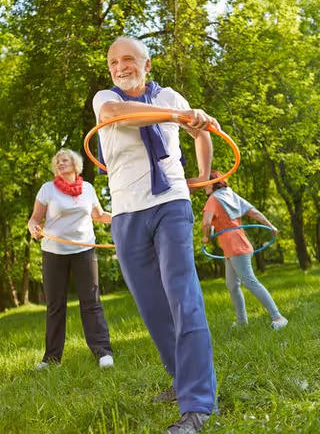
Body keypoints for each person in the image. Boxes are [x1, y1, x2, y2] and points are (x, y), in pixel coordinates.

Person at [92, 36, 219, 434]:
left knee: (184, 296)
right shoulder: (104, 98)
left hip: (171, 203)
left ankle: (197, 404)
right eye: (114, 61)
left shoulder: (169, 95)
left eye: (129, 58)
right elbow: (118, 114)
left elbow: (200, 133)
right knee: (152, 306)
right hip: (127, 212)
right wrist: (176, 116)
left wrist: (202, 174)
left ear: (147, 63)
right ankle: (180, 378)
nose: (120, 65)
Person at [28, 149, 114, 370]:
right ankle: (52, 358)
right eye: (57, 161)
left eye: (64, 160)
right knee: (55, 305)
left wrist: (122, 218)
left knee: (91, 301)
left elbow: (98, 215)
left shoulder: (88, 189)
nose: (59, 163)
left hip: (84, 249)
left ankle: (103, 352)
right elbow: (35, 219)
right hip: (54, 251)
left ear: (75, 164)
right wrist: (34, 229)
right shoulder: (48, 189)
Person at [202, 170, 288, 330]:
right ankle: (242, 322)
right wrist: (271, 226)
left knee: (249, 281)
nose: (204, 186)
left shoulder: (213, 199)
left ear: (213, 183)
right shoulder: (230, 195)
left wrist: (206, 237)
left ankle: (278, 317)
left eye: (206, 183)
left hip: (235, 245)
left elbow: (206, 223)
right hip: (234, 244)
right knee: (232, 285)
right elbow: (253, 211)